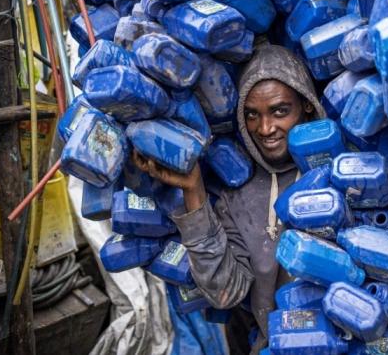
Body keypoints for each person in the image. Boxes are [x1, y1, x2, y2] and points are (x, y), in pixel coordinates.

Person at [134, 44, 327, 354]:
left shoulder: (339, 175)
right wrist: (194, 191)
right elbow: (226, 291)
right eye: (252, 115)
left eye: (280, 111)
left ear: (306, 105)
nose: (265, 129)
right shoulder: (237, 194)